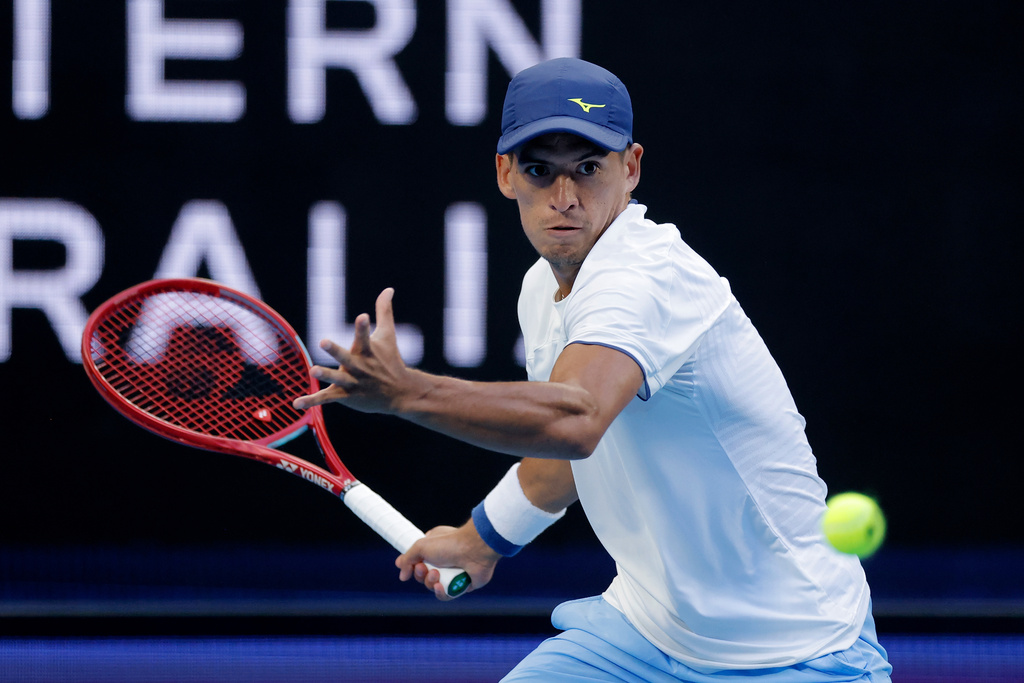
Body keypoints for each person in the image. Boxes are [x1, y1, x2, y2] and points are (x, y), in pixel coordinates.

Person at [294, 58, 892, 681]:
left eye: (588, 168)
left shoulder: (643, 273)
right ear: (505, 175)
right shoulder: (540, 289)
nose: (564, 199)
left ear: (630, 168)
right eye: (539, 170)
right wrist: (482, 540)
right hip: (643, 634)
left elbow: (575, 421)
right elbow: (570, 459)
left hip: (797, 650)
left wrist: (407, 393)